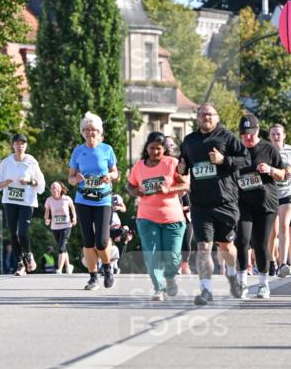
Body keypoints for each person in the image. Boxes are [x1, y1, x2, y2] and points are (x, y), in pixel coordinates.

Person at [178, 103, 250, 305]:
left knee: (226, 246)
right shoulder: (189, 140)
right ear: (197, 118)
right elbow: (184, 165)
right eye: (202, 114)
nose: (206, 118)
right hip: (200, 204)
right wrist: (181, 169)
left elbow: (246, 160)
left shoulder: (227, 137)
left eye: (210, 115)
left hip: (225, 202)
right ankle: (206, 290)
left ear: (216, 118)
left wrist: (223, 160)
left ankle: (234, 275)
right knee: (203, 247)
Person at [127, 131, 188, 301]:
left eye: (159, 149)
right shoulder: (139, 166)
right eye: (152, 148)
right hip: (147, 217)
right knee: (152, 254)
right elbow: (130, 185)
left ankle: (170, 278)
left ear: (164, 150)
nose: (155, 152)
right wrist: (135, 191)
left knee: (172, 255)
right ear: (146, 148)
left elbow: (186, 185)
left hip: (172, 218)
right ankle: (158, 288)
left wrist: (169, 189)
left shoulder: (172, 163)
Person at [234, 114, 285, 300]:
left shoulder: (268, 148)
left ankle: (263, 284)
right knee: (241, 240)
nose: (248, 137)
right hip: (242, 203)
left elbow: (284, 174)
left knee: (260, 243)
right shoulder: (236, 150)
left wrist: (270, 170)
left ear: (258, 131)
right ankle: (241, 283)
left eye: (251, 133)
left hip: (266, 203)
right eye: (244, 134)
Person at [68, 113, 119, 290]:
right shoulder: (78, 151)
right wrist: (77, 178)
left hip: (103, 200)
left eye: (94, 130)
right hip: (83, 199)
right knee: (88, 240)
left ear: (100, 132)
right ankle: (93, 277)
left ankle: (107, 268)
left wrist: (108, 176)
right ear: (83, 132)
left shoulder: (107, 150)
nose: (91, 133)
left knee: (102, 241)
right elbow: (71, 178)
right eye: (87, 130)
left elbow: (116, 173)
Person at [0, 134, 45, 275]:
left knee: (22, 232)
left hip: (27, 202)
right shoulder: (6, 162)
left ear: (26, 146)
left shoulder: (32, 162)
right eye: (17, 143)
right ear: (13, 145)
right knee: (13, 234)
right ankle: (20, 265)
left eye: (23, 143)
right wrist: (5, 183)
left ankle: (28, 254)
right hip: (10, 201)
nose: (20, 146)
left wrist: (28, 182)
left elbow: (41, 185)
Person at [268, 124, 291, 277]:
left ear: (284, 135)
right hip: (271, 194)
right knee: (272, 233)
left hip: (287, 193)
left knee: (284, 228)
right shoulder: (266, 150)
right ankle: (272, 261)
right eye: (273, 134)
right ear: (269, 136)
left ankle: (283, 264)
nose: (276, 136)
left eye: (278, 134)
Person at [43, 181, 76, 274]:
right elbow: (47, 210)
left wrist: (74, 218)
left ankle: (60, 269)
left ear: (60, 189)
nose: (53, 190)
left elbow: (72, 208)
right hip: (55, 227)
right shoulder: (49, 200)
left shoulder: (66, 199)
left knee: (61, 247)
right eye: (52, 188)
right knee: (63, 247)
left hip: (66, 226)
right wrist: (47, 219)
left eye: (55, 188)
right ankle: (68, 266)